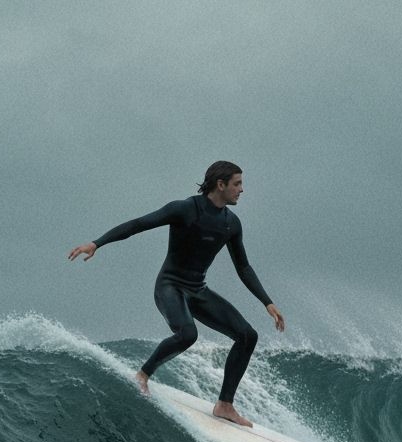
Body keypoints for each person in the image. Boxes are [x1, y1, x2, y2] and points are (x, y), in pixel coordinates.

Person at [68, 161, 285, 427]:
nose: (242, 190)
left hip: (198, 290)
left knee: (247, 335)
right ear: (221, 185)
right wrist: (97, 243)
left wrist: (267, 302)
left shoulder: (231, 223)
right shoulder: (185, 209)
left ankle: (225, 405)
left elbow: (243, 266)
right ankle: (143, 375)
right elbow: (138, 224)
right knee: (187, 334)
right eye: (237, 184)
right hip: (169, 286)